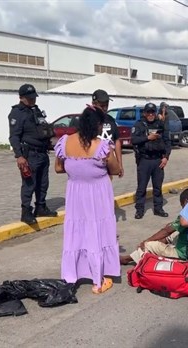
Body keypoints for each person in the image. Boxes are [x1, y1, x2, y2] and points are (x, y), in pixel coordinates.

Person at [54, 105, 121, 294]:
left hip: (75, 193)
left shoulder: (64, 142)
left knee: (76, 232)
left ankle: (71, 276)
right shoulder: (101, 146)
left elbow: (59, 168)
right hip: (98, 193)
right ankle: (98, 280)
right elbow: (115, 169)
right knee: (97, 231)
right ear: (97, 125)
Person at [8, 83, 58, 225]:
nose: (32, 100)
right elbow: (14, 137)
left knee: (43, 183)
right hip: (29, 154)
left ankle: (41, 207)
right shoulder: (17, 113)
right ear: (21, 97)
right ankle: (26, 212)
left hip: (42, 152)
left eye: (33, 97)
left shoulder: (35, 110)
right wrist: (19, 156)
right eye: (29, 98)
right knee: (29, 184)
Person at [119, 188, 188, 265]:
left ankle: (128, 258)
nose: (182, 208)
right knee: (173, 232)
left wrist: (147, 241)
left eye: (182, 205)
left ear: (186, 201)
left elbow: (166, 231)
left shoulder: (186, 215)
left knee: (148, 245)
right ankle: (159, 244)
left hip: (182, 255)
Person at [131, 102, 171, 219]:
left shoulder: (160, 124)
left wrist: (166, 157)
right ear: (144, 113)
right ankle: (140, 210)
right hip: (144, 160)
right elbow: (134, 140)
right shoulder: (139, 125)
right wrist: (148, 137)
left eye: (152, 112)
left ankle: (158, 209)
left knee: (157, 187)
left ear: (155, 113)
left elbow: (167, 142)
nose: (150, 114)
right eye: (148, 112)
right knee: (141, 187)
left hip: (158, 160)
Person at [91, 89, 124, 178]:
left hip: (108, 164)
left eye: (107, 105)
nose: (105, 108)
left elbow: (116, 141)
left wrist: (119, 164)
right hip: (92, 164)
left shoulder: (110, 120)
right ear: (94, 104)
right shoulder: (88, 120)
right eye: (102, 106)